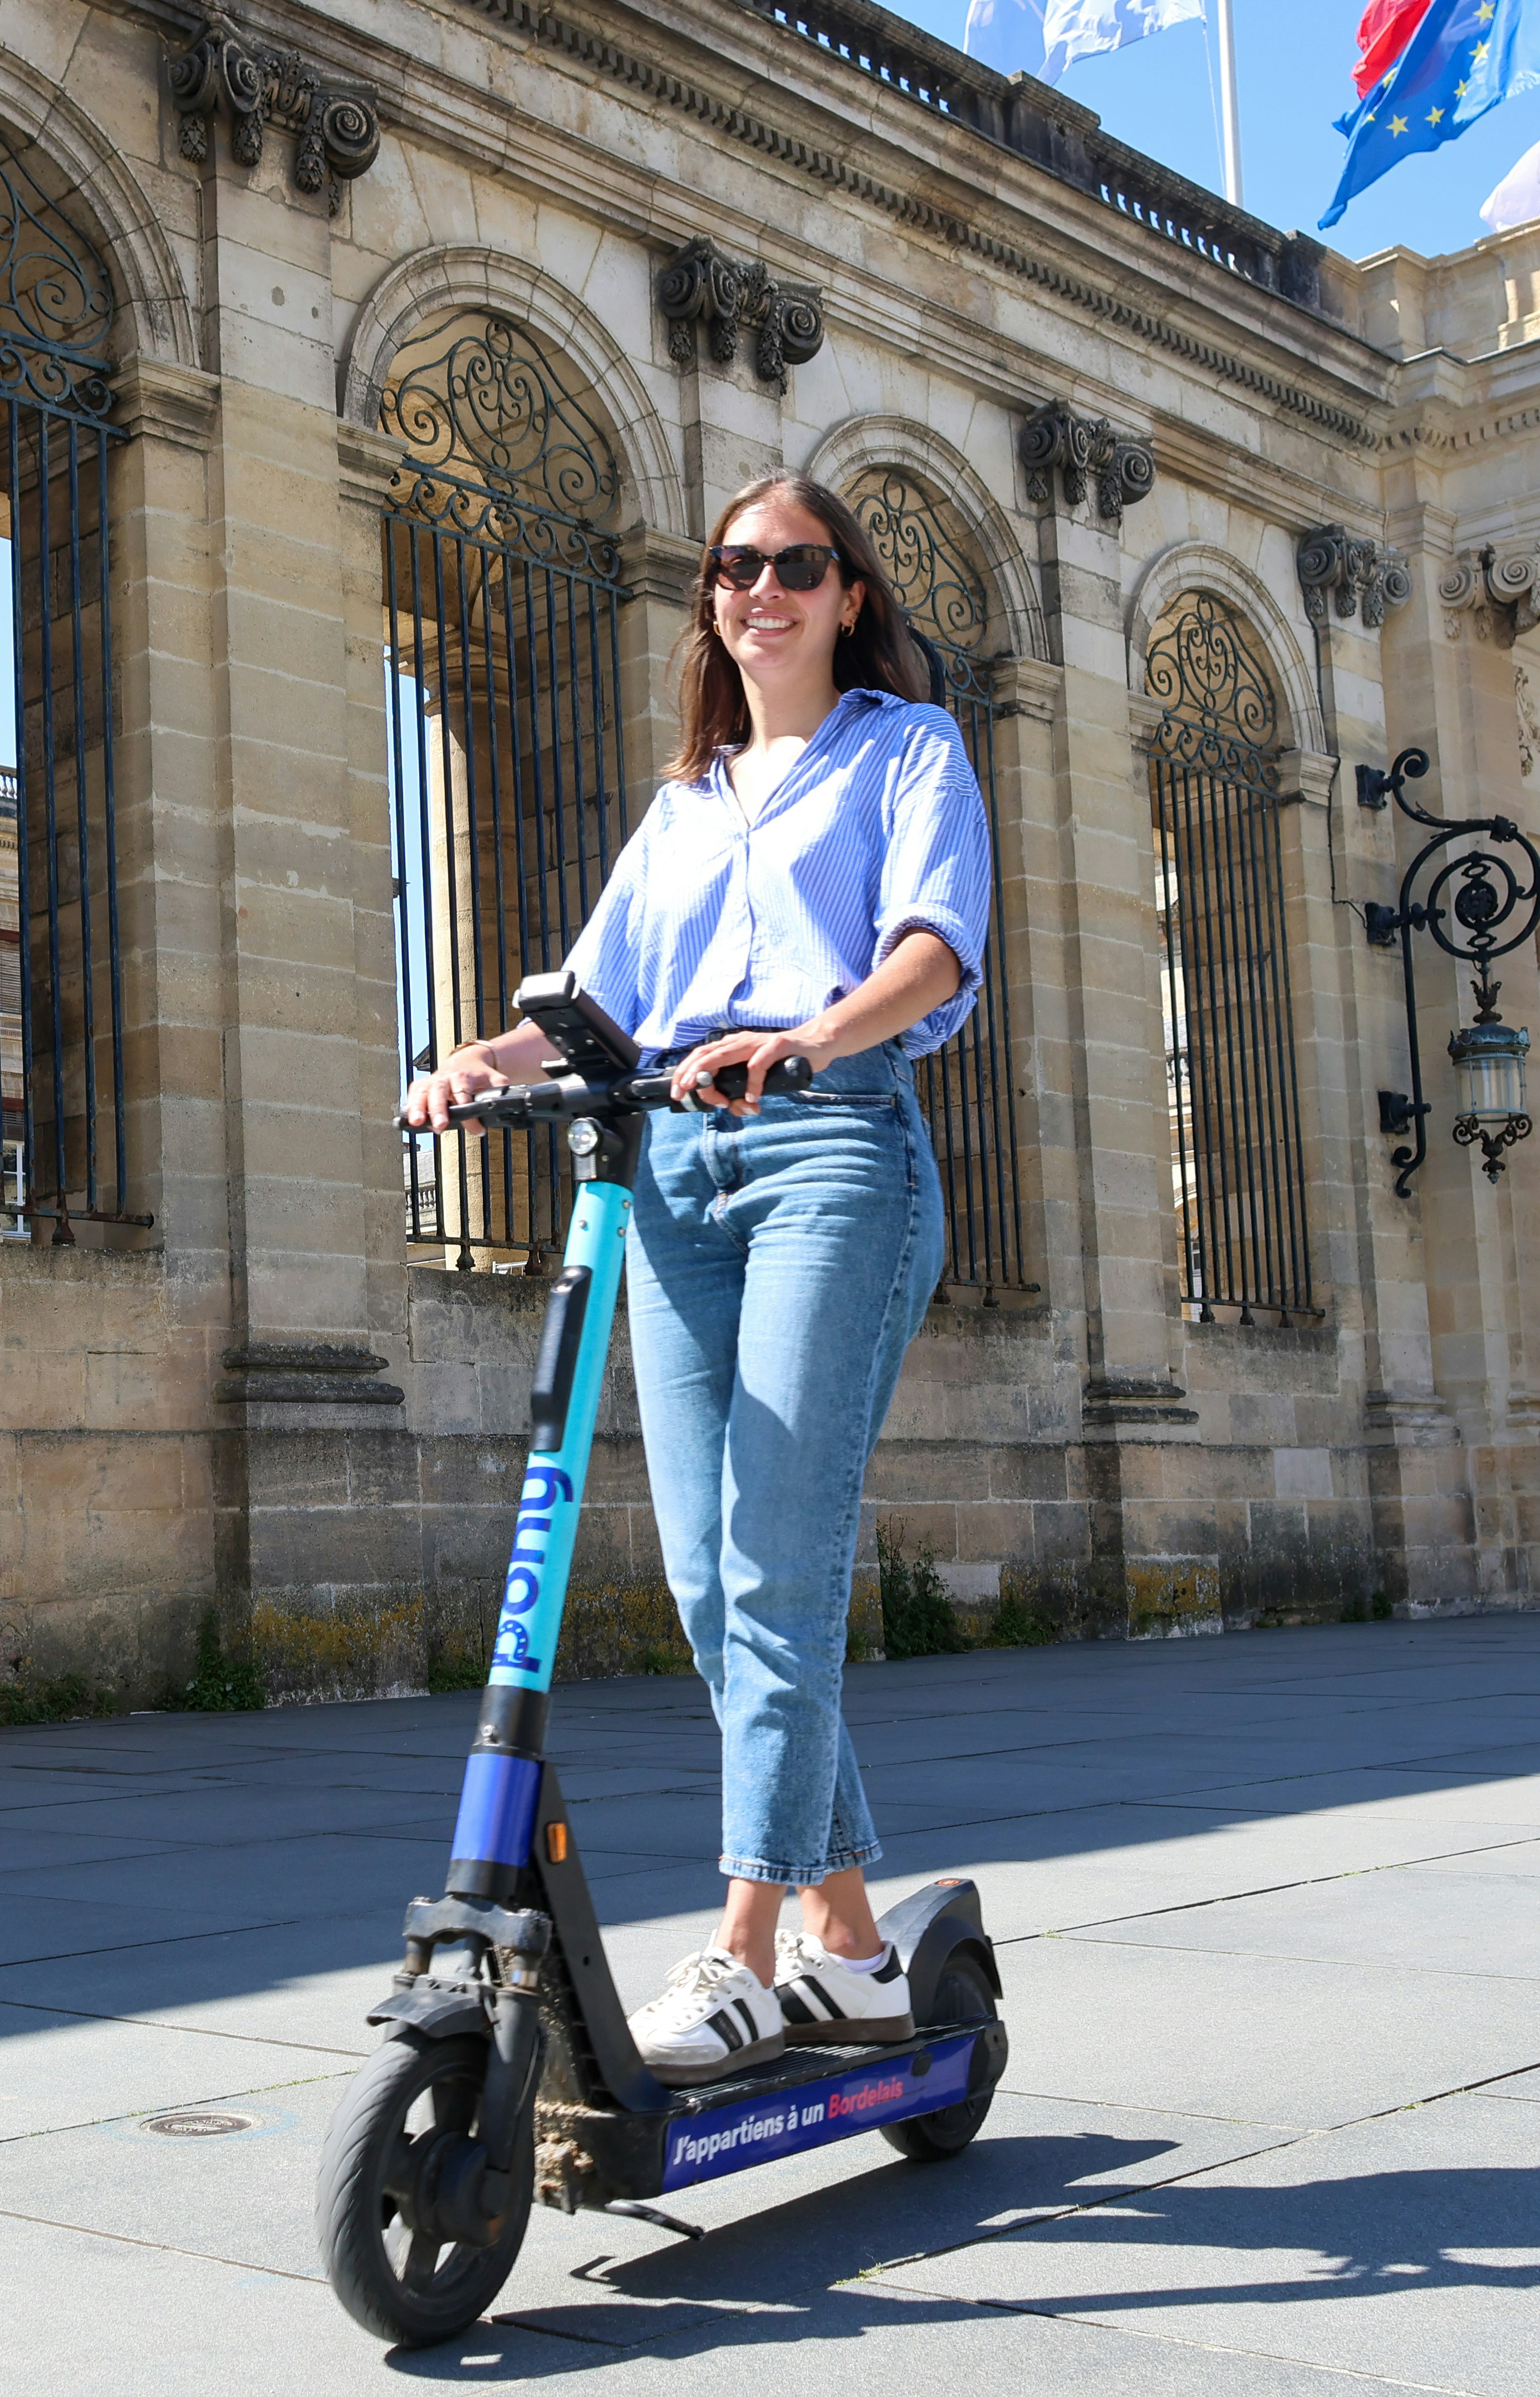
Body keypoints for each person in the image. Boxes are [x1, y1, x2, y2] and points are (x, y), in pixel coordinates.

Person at [401, 471, 989, 2081]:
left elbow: (933, 953)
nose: (763, 591)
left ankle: (743, 1955)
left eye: (798, 565)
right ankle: (857, 1946)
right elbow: (590, 1002)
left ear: (849, 595)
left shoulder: (909, 753)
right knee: (708, 1583)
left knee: (779, 1565)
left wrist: (807, 1036)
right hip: (672, 1169)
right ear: (713, 600)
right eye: (736, 568)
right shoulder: (687, 803)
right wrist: (474, 1057)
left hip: (830, 1154)